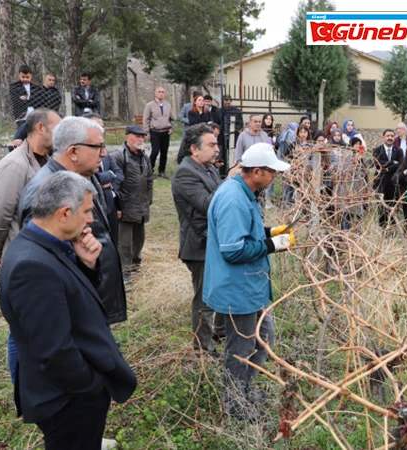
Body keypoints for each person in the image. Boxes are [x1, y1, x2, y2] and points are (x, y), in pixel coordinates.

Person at [0, 171, 137, 450]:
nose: (91, 219)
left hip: (69, 395)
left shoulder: (42, 246)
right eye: (86, 211)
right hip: (67, 401)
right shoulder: (32, 266)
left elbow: (69, 302)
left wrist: (87, 267)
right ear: (64, 213)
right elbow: (53, 350)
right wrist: (91, 388)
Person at [203, 142, 295, 420]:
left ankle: (242, 390)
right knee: (240, 349)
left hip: (250, 287)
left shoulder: (246, 192)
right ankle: (234, 406)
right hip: (237, 289)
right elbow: (233, 250)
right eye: (272, 173)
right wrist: (273, 245)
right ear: (257, 172)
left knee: (264, 336)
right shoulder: (233, 198)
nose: (276, 177)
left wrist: (269, 232)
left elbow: (247, 232)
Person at [19, 116, 127, 325]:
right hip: (72, 313)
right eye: (98, 147)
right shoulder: (46, 192)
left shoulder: (83, 177)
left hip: (88, 300)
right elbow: (42, 268)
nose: (104, 154)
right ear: (73, 152)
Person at [172, 124, 242, 356]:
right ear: (194, 149)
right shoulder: (185, 173)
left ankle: (219, 332)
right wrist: (230, 180)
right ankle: (202, 350)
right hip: (199, 245)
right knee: (205, 298)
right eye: (211, 145)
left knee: (223, 288)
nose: (217, 150)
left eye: (216, 144)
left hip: (214, 241)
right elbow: (209, 204)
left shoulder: (208, 168)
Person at [0, 109, 60, 266]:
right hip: (22, 256)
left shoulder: (48, 161)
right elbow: (1, 211)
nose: (62, 134)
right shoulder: (14, 165)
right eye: (58, 128)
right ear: (40, 128)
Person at [110, 126, 154, 281]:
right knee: (124, 241)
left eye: (143, 137)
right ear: (128, 136)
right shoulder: (118, 156)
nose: (141, 139)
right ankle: (125, 270)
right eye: (137, 136)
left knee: (138, 238)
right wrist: (118, 206)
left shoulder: (144, 156)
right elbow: (114, 184)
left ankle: (135, 265)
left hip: (141, 204)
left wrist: (149, 201)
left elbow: (149, 179)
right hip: (126, 205)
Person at [84, 113, 124, 244]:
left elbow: (119, 174)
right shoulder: (83, 152)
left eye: (102, 126)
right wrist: (107, 178)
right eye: (97, 126)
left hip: (110, 203)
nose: (102, 130)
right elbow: (91, 178)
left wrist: (109, 183)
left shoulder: (104, 152)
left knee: (113, 241)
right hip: (94, 207)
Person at [372, 129, 403, 228]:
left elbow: (400, 165)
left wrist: (386, 168)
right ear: (383, 137)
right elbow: (378, 164)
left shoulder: (399, 151)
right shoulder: (377, 150)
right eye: (388, 136)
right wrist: (392, 163)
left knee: (393, 208)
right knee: (381, 209)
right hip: (381, 184)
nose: (390, 138)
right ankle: (383, 230)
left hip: (394, 185)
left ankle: (392, 230)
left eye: (392, 136)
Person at [143, 87, 174, 179]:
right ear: (155, 94)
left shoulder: (168, 105)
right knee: (155, 151)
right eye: (159, 92)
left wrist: (171, 128)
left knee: (164, 152)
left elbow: (172, 118)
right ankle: (149, 170)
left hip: (165, 132)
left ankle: (162, 171)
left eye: (163, 92)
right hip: (154, 132)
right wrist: (147, 132)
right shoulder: (150, 105)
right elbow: (146, 119)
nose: (161, 94)